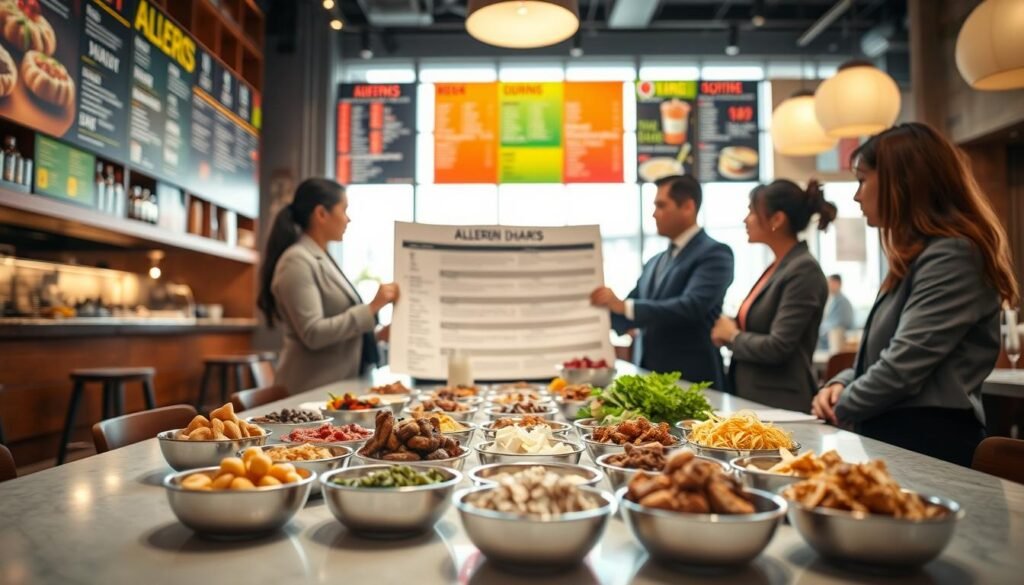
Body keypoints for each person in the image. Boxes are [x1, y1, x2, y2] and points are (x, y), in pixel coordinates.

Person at [812, 123, 1018, 466]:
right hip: (899, 435)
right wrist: (839, 384)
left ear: (902, 183)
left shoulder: (953, 255)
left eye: (863, 180)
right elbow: (881, 354)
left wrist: (841, 404)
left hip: (929, 441)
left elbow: (904, 365)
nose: (856, 195)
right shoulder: (914, 256)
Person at [591, 175, 734, 390]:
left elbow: (691, 306)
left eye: (661, 205)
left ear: (687, 206)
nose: (654, 214)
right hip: (650, 378)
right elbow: (627, 312)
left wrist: (624, 306)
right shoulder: (655, 261)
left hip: (692, 381)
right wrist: (592, 312)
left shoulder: (715, 254)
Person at [257, 178, 399, 394]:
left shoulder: (321, 257)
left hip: (334, 389)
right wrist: (372, 308)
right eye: (344, 210)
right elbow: (313, 333)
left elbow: (339, 330)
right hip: (308, 392)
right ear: (321, 214)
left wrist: (378, 335)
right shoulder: (296, 261)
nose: (348, 219)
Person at [710, 180, 834, 411]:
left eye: (752, 211)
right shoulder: (779, 266)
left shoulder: (803, 270)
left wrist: (733, 336)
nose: (746, 219)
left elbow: (779, 346)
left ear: (777, 219)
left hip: (780, 402)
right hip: (754, 396)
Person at [817, 274, 855, 351]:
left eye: (830, 282)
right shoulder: (833, 300)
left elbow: (841, 323)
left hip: (837, 338)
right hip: (828, 338)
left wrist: (821, 329)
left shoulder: (843, 302)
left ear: (837, 284)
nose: (828, 286)